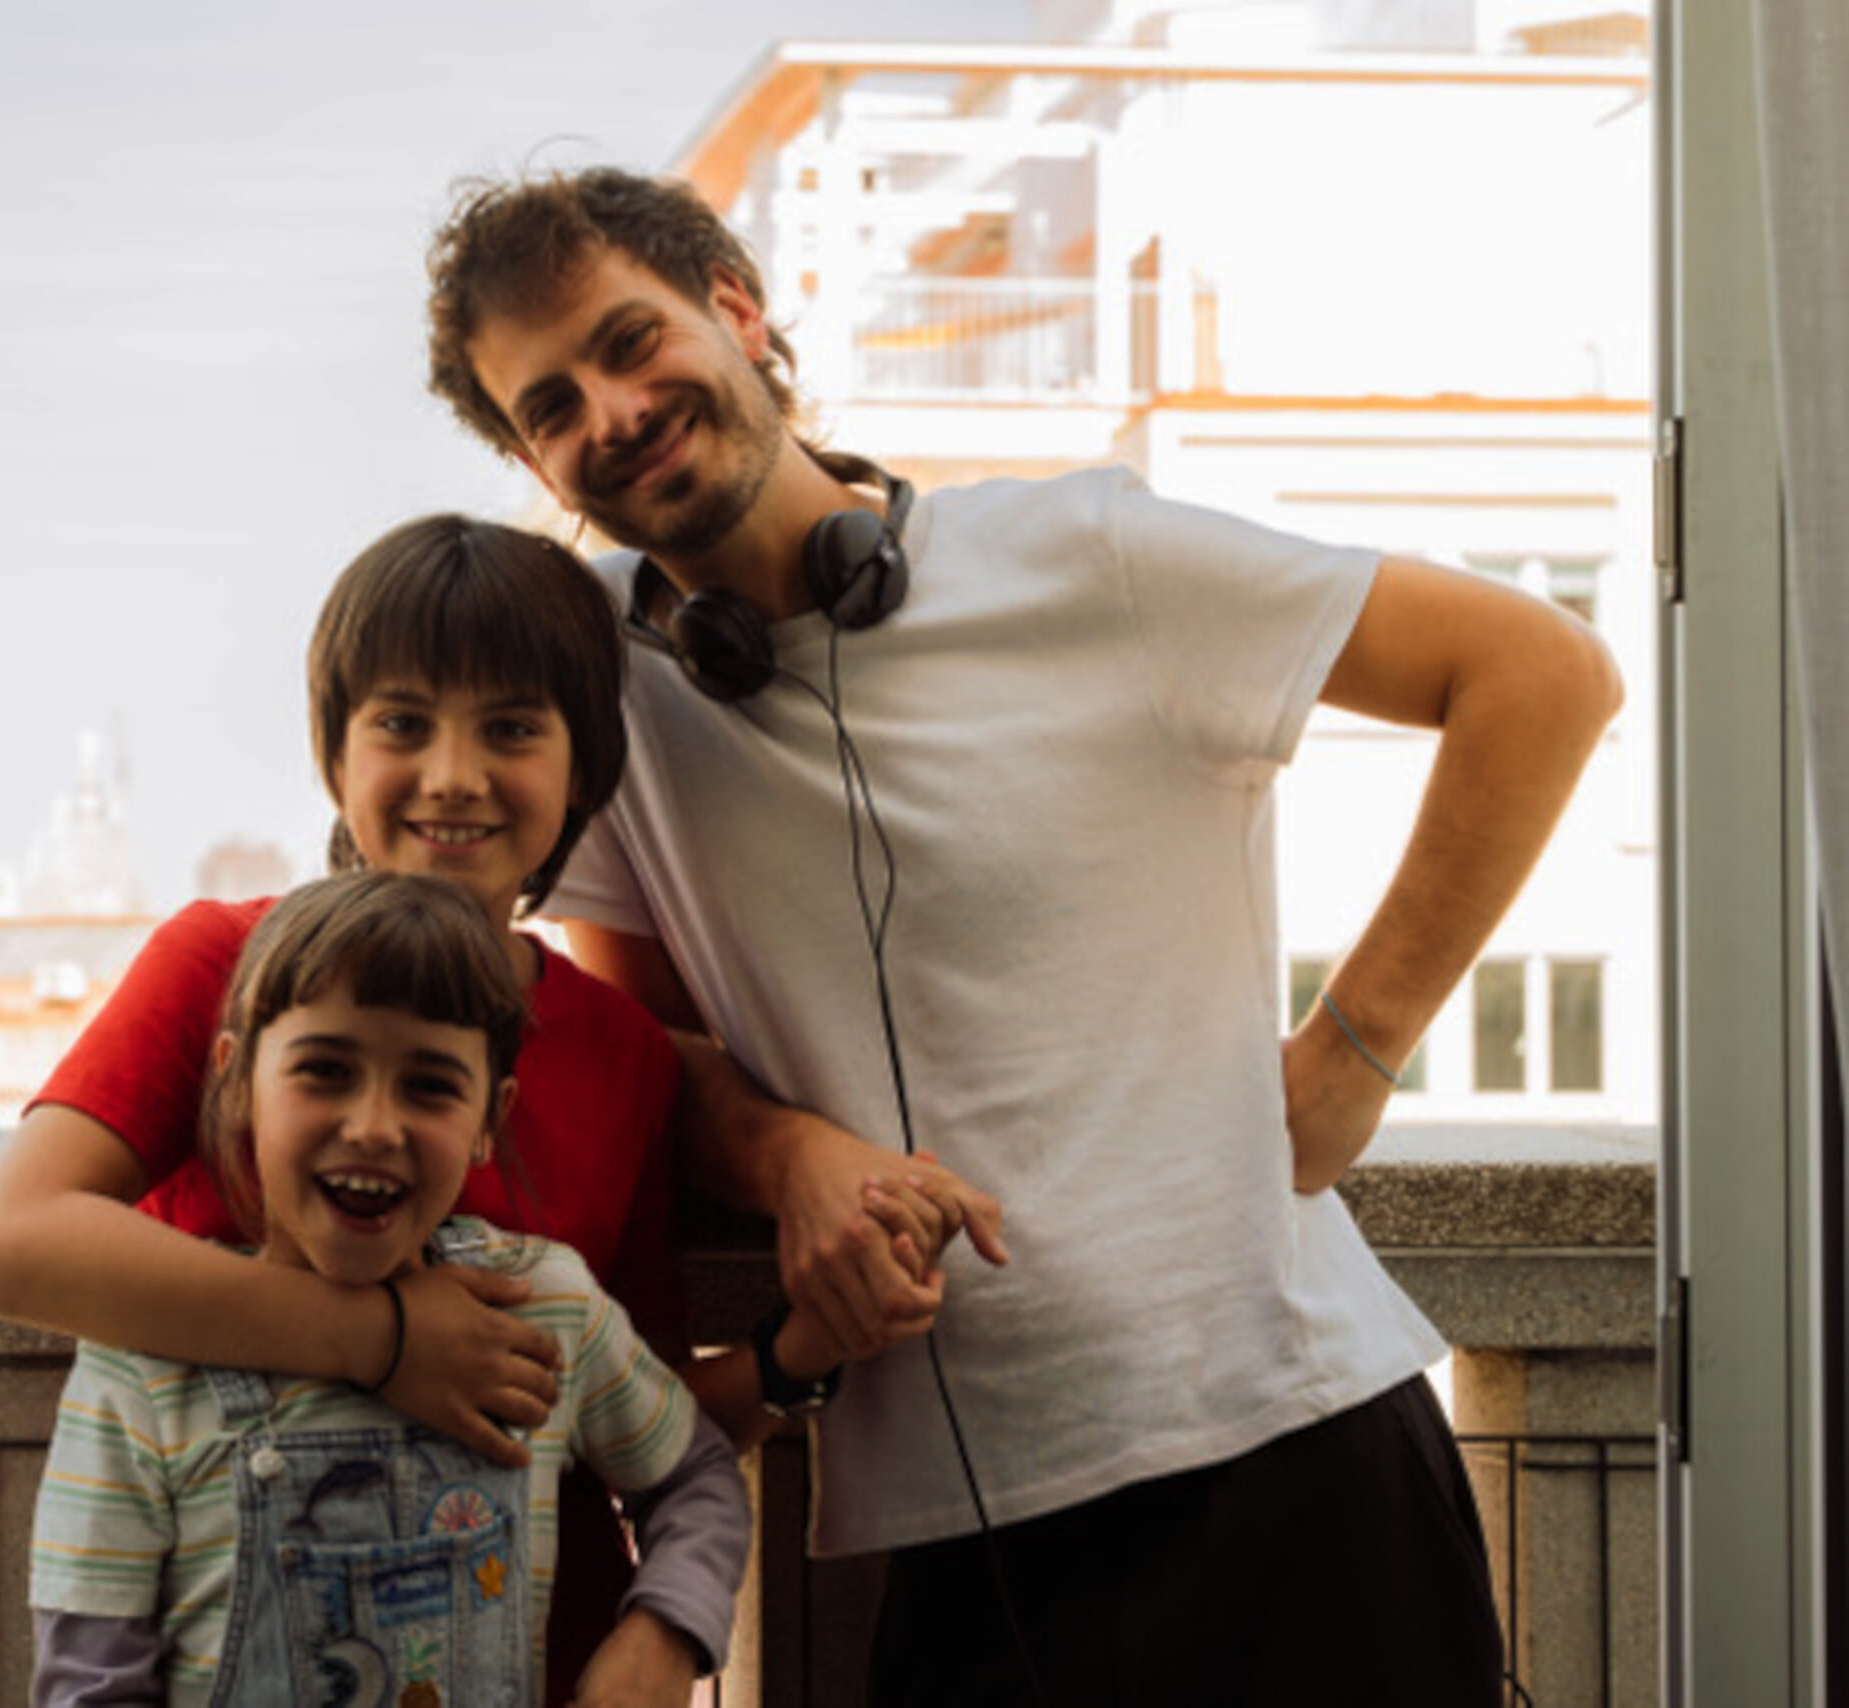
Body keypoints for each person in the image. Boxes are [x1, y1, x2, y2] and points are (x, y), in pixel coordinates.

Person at [421, 165, 1624, 1705]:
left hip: (1299, 1462)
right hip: (958, 1530)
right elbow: (652, 1053)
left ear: (737, 308)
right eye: (551, 407)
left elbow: (1546, 674)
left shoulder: (1086, 553)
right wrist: (789, 1156)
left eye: (630, 340)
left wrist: (1356, 1047)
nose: (613, 411)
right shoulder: (595, 679)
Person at [0, 513, 934, 1704]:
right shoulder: (224, 961)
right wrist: (380, 1338)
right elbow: (10, 1243)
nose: (454, 774)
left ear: (583, 769)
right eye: (402, 724)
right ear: (336, 754)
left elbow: (633, 1410)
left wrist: (785, 1372)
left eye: (510, 728)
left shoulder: (618, 1051)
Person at [25, 869, 752, 1707]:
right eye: (326, 1071)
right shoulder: (139, 1368)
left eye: (430, 1086)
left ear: (489, 1121)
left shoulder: (546, 1309)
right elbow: (90, 1679)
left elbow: (696, 1473)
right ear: (236, 1084)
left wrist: (665, 1631)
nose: (373, 1127)